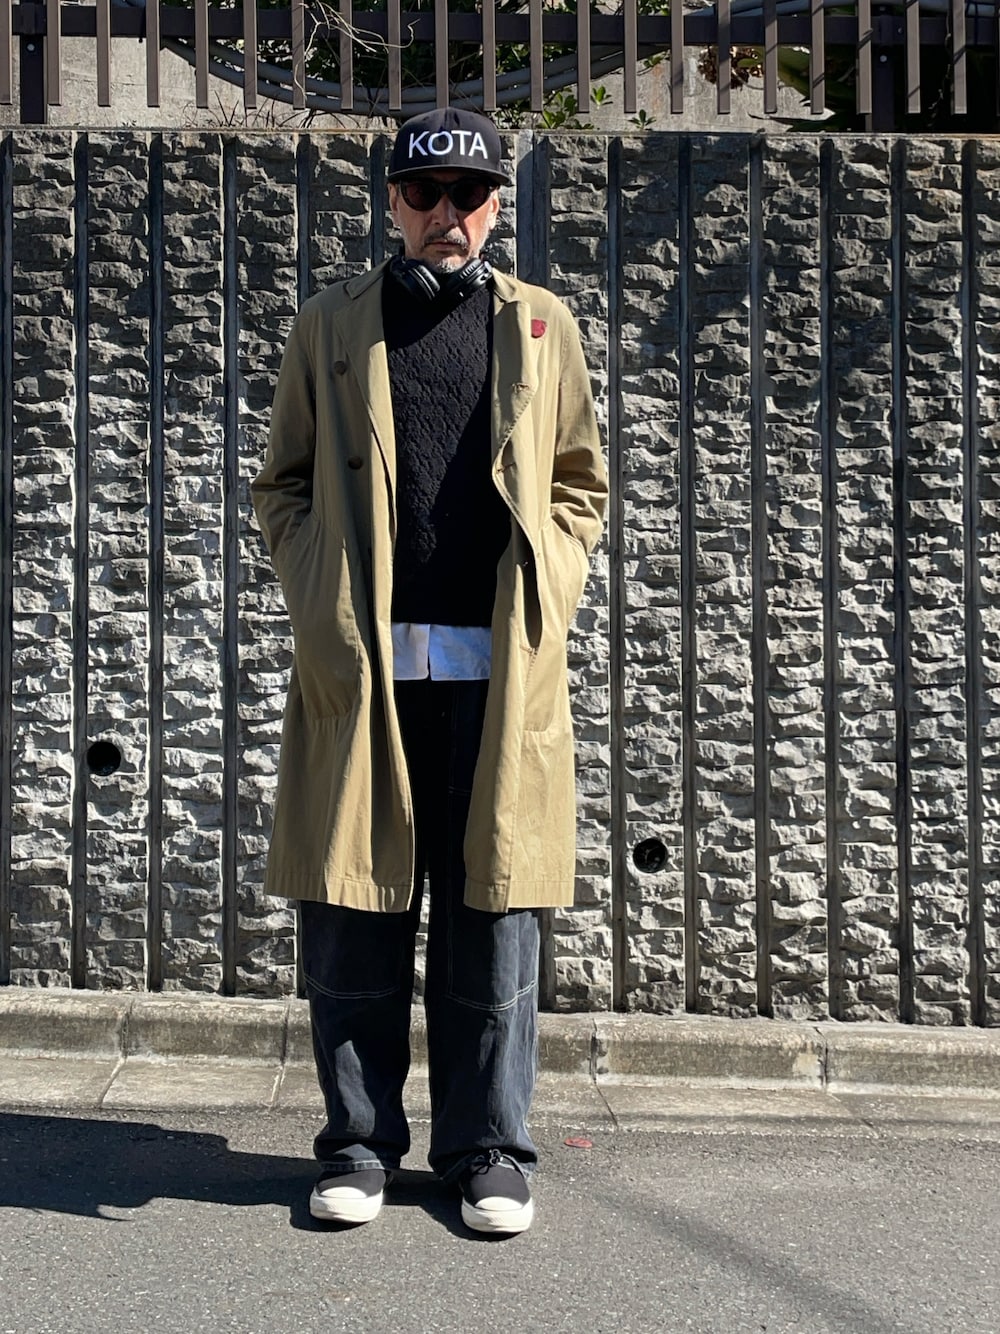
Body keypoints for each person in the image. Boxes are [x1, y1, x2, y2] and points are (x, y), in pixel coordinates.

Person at [251, 106, 607, 1235]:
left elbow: (579, 481)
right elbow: (284, 483)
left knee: (492, 914)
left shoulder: (542, 325)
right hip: (365, 669)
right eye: (423, 192)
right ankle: (357, 1145)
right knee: (353, 908)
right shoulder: (332, 323)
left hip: (502, 676)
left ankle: (487, 1150)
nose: (446, 213)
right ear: (393, 203)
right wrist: (319, 592)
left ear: (498, 204)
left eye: (469, 193)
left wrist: (549, 578)